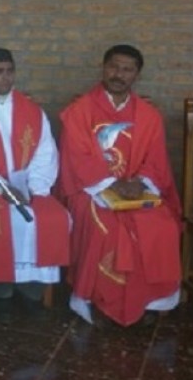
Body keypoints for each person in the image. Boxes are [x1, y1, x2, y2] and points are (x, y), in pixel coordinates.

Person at [57, 44, 182, 327]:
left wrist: (139, 182)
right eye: (114, 66)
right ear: (103, 68)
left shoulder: (149, 116)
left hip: (136, 190)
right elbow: (76, 158)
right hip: (90, 190)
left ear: (136, 75)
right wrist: (112, 184)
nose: (119, 74)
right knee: (107, 227)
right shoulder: (80, 110)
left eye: (127, 69)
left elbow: (156, 160)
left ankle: (149, 301)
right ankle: (97, 301)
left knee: (161, 224)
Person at [0, 48, 69, 322]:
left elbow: (45, 153)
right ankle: (1, 296)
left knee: (53, 219)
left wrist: (36, 187)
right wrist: (0, 187)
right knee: (2, 222)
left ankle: (32, 294)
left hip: (28, 188)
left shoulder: (32, 111)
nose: (5, 77)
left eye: (10, 71)